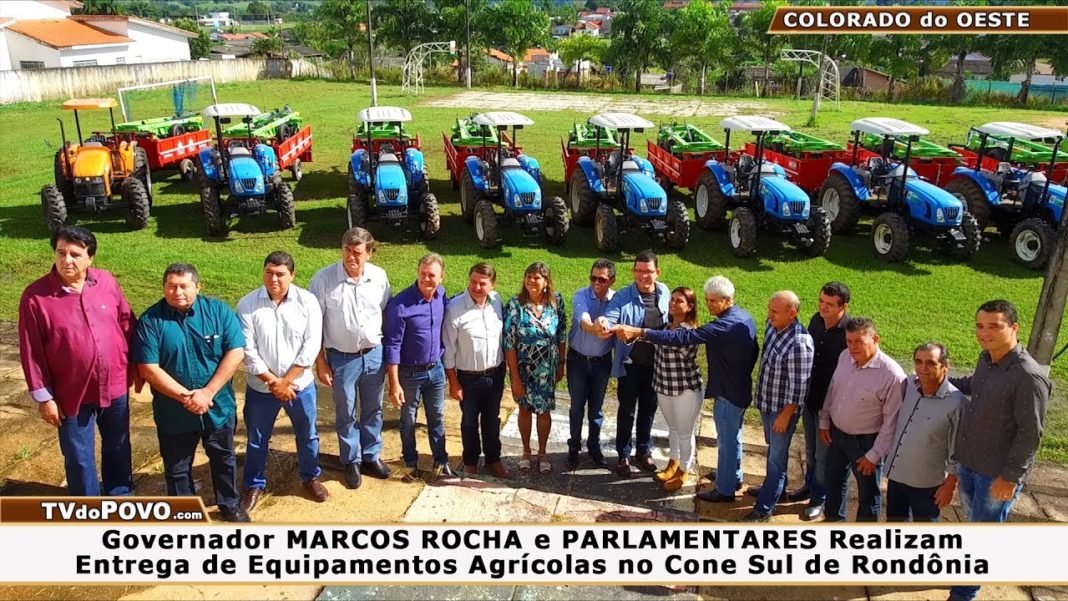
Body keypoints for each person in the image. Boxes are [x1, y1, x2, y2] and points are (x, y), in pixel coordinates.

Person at [616, 276, 758, 502]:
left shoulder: (722, 324)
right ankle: (729, 475)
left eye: (713, 301)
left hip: (710, 390)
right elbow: (754, 352)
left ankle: (722, 488)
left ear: (728, 300)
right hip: (709, 387)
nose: (709, 305)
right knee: (725, 437)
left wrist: (640, 332)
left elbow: (682, 338)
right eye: (707, 300)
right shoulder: (743, 317)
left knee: (724, 441)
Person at [18, 225, 135, 496]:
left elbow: (127, 321)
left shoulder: (106, 281)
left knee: (118, 445)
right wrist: (44, 398)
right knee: (79, 457)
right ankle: (86, 507)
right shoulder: (36, 297)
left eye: (74, 254)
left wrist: (135, 365)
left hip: (115, 385)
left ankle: (120, 495)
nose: (66, 260)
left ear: (90, 257)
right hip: (70, 393)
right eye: (61, 253)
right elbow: (31, 350)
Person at [948, 300, 1051, 601]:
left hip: (997, 474)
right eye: (980, 326)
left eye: (994, 326)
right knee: (975, 523)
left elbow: (1031, 434)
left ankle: (964, 593)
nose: (985, 333)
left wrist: (1010, 477)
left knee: (983, 532)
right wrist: (938, 380)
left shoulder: (1028, 377)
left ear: (1014, 328)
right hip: (969, 462)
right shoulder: (987, 359)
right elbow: (974, 385)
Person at [135, 263, 247, 522]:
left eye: (184, 286)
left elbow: (235, 352)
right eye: (171, 286)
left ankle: (229, 505)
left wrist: (207, 392)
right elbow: (148, 369)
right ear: (164, 287)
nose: (177, 292)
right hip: (174, 412)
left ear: (198, 286)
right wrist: (187, 397)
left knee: (224, 459)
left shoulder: (219, 311)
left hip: (217, 407)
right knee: (177, 468)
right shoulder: (151, 321)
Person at [236, 251, 326, 515]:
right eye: (268, 272)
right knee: (256, 438)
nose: (273, 279)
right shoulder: (247, 304)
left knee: (307, 434)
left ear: (292, 275)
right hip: (261, 388)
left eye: (280, 274)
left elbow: (311, 346)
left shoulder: (308, 302)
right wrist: (273, 382)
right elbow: (248, 350)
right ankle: (253, 485)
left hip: (300, 386)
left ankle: (310, 477)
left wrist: (286, 381)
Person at [309, 227, 392, 490]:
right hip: (341, 358)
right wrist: (320, 361)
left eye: (357, 253)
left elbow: (385, 312)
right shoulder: (323, 280)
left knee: (373, 408)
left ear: (369, 253)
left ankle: (371, 455)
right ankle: (351, 460)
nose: (351, 257)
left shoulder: (379, 277)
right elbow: (314, 324)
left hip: (374, 354)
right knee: (346, 411)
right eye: (347, 250)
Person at [819, 317, 906, 522]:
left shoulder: (892, 375)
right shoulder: (844, 357)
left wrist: (874, 455)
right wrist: (824, 420)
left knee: (868, 495)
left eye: (859, 341)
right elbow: (833, 389)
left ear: (875, 339)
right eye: (849, 341)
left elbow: (892, 421)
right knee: (833, 482)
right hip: (837, 436)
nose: (852, 347)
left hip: (866, 444)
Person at [600, 251, 670, 478]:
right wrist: (605, 323)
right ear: (633, 272)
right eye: (638, 271)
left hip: (656, 365)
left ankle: (643, 450)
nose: (643, 276)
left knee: (649, 409)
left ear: (657, 272)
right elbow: (611, 317)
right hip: (630, 365)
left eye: (648, 271)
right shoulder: (622, 296)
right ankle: (623, 454)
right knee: (627, 410)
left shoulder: (665, 293)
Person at [745, 291, 813, 522]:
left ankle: (764, 508)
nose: (768, 315)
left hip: (781, 411)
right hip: (767, 403)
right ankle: (775, 491)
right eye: (769, 309)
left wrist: (786, 415)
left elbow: (800, 386)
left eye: (774, 311)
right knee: (773, 452)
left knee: (777, 458)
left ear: (792, 313)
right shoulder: (773, 327)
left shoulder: (799, 343)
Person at [384, 253, 450, 482]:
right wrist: (394, 383)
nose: (426, 279)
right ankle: (410, 463)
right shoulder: (400, 305)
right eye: (422, 273)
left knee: (437, 417)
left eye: (431, 275)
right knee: (408, 420)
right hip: (409, 373)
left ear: (441, 277)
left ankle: (441, 460)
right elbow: (391, 345)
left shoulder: (442, 296)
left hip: (436, 370)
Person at [790, 282, 851, 520]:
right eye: (821, 302)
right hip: (811, 398)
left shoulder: (848, 333)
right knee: (810, 449)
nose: (823, 308)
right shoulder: (816, 320)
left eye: (830, 305)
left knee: (824, 456)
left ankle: (819, 498)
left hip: (831, 407)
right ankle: (809, 486)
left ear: (843, 306)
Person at [884, 342, 965, 522]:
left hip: (927, 485)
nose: (923, 368)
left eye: (930, 363)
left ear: (945, 366)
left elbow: (958, 450)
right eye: (918, 362)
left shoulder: (956, 403)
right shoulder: (910, 385)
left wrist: (950, 485)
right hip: (897, 475)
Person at [443, 262, 509, 479]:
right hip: (468, 379)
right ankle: (470, 462)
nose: (476, 287)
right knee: (469, 422)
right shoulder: (455, 308)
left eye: (482, 283)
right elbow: (449, 350)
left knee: (492, 420)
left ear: (492, 284)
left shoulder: (497, 302)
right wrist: (453, 382)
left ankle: (493, 460)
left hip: (495, 375)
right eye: (473, 282)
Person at [504, 262, 567, 476]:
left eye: (537, 277)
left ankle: (542, 453)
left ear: (546, 281)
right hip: (523, 367)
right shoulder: (515, 304)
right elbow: (509, 342)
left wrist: (561, 364)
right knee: (524, 409)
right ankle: (525, 452)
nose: (532, 281)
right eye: (528, 276)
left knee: (544, 410)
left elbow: (562, 334)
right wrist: (514, 377)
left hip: (547, 368)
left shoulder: (556, 302)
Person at [646, 287, 702, 492]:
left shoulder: (689, 332)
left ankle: (684, 471)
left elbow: (671, 342)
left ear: (690, 307)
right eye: (673, 299)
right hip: (664, 385)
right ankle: (673, 463)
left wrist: (642, 333)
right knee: (673, 428)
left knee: (685, 432)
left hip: (685, 388)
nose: (673, 303)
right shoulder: (666, 326)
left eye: (680, 301)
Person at [566, 259, 616, 470]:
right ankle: (574, 446)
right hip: (577, 360)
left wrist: (605, 324)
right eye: (593, 278)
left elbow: (613, 319)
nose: (596, 283)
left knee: (596, 409)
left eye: (602, 279)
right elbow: (583, 318)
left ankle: (593, 446)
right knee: (577, 406)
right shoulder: (581, 295)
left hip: (602, 363)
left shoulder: (617, 300)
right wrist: (595, 327)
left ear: (611, 280)